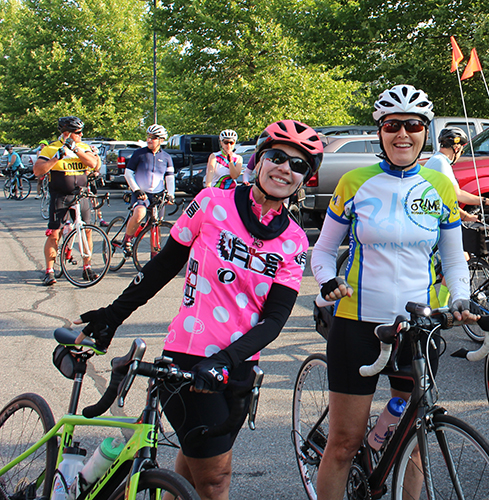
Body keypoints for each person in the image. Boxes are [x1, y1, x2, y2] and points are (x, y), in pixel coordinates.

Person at [74, 119, 323, 500]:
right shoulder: (212, 203)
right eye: (277, 157)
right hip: (188, 357)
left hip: (237, 366)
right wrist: (111, 315)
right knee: (216, 480)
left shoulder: (293, 239)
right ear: (258, 160)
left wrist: (227, 360)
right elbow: (161, 267)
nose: (285, 169)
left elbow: (275, 320)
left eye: (299, 165)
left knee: (191, 471)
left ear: (306, 177)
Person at [311, 84, 478, 500]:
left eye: (413, 125)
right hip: (356, 325)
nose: (402, 133)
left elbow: (455, 260)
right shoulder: (354, 182)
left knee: (414, 440)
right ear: (380, 131)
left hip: (418, 329)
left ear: (425, 131)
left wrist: (460, 296)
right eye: (392, 125)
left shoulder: (438, 187)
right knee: (344, 444)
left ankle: (383, 445)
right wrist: (327, 281)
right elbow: (324, 251)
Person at [34, 116, 101, 286]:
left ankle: (87, 267)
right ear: (67, 134)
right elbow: (37, 170)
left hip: (81, 195)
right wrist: (56, 157)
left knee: (86, 231)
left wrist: (76, 150)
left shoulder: (83, 147)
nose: (81, 135)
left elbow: (93, 164)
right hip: (61, 196)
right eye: (78, 133)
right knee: (54, 233)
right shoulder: (51, 148)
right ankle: (49, 270)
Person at [121, 124, 175, 255]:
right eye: (148, 136)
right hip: (141, 193)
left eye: (154, 137)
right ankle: (127, 240)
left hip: (158, 195)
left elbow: (170, 178)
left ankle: (154, 256)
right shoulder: (139, 154)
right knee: (140, 213)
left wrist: (171, 195)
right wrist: (136, 189)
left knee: (156, 225)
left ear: (161, 140)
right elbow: (128, 173)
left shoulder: (167, 157)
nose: (149, 140)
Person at [424, 127, 489, 220]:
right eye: (461, 152)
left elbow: (447, 200)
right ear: (457, 148)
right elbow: (458, 194)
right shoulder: (441, 163)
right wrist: (485, 201)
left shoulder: (437, 160)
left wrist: (467, 216)